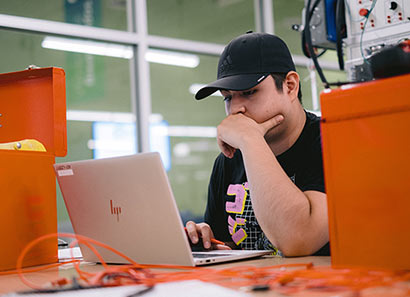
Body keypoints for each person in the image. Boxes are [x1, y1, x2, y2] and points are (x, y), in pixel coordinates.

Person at [185, 32, 330, 257]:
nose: (235, 109)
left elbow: (299, 240)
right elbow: (229, 248)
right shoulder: (227, 162)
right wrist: (206, 243)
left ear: (290, 86)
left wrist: (251, 139)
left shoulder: (331, 141)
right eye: (228, 97)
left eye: (249, 92)